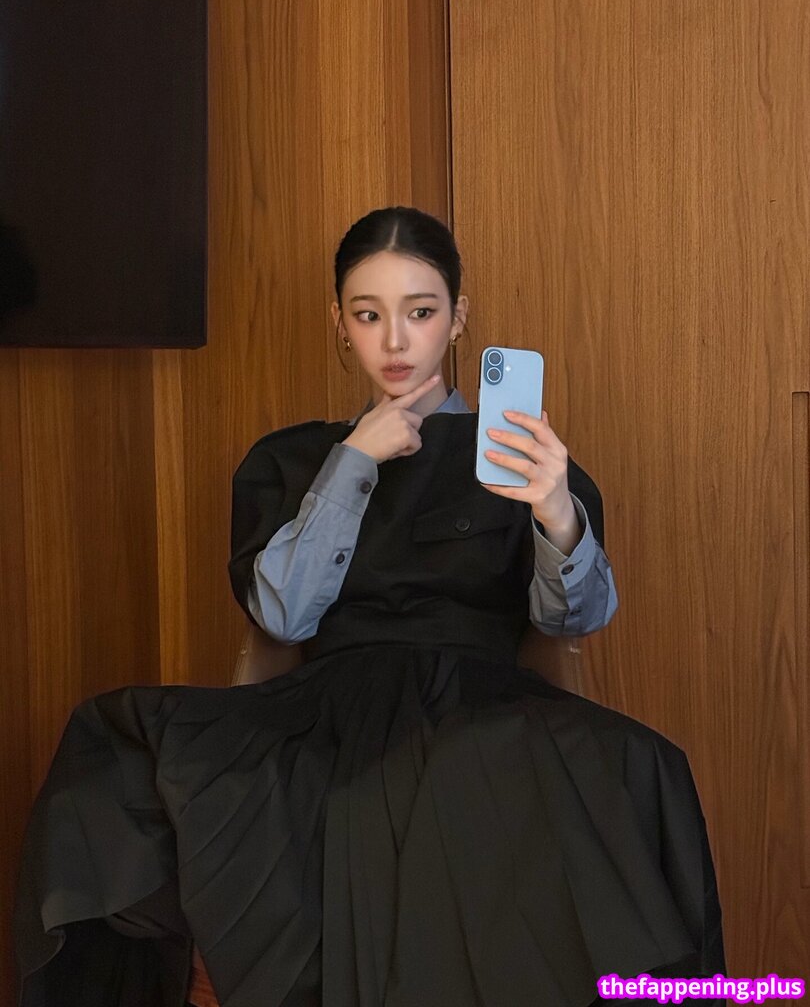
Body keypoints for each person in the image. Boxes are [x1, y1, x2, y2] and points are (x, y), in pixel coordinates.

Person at [14, 206, 724, 1007]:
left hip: (484, 703)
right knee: (110, 752)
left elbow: (573, 622)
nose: (395, 341)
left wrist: (557, 512)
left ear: (458, 317)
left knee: (615, 770)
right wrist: (353, 462)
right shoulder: (289, 459)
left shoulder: (524, 457)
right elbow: (283, 619)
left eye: (420, 312)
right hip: (327, 706)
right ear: (339, 324)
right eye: (367, 314)